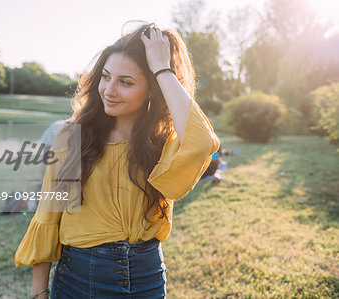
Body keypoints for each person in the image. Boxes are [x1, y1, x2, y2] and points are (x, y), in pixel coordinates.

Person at [15, 22, 220, 299]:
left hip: (147, 276)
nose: (109, 90)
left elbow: (202, 143)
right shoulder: (70, 136)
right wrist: (39, 291)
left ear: (151, 89)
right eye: (106, 77)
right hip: (79, 277)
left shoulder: (163, 142)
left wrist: (162, 68)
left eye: (126, 82)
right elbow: (48, 215)